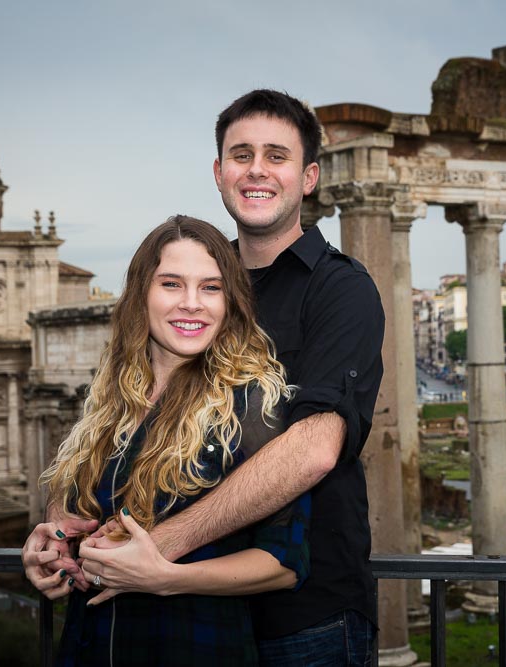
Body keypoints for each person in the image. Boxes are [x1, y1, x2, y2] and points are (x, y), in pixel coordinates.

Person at [24, 89, 385, 665]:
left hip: (307, 613)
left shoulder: (341, 288)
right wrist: (63, 536)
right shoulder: (198, 284)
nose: (257, 170)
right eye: (241, 155)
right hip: (171, 619)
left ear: (309, 176)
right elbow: (112, 454)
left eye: (277, 156)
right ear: (219, 174)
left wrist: (149, 556)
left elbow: (315, 448)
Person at [29, 215, 311, 665]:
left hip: (197, 647)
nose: (193, 303)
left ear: (230, 301)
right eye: (172, 284)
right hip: (91, 646)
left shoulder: (253, 405)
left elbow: (283, 564)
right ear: (142, 295)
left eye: (211, 287)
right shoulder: (110, 403)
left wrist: (166, 577)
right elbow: (87, 524)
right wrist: (54, 546)